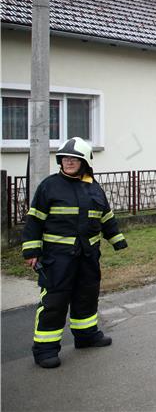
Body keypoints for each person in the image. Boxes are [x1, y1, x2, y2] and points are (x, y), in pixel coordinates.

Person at [21, 137, 128, 369]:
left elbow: (106, 217)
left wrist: (116, 239)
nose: (69, 162)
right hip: (57, 258)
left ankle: (86, 335)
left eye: (74, 159)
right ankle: (45, 349)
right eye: (65, 158)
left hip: (88, 255)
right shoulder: (50, 186)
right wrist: (31, 250)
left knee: (87, 296)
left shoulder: (94, 188)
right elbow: (34, 220)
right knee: (54, 301)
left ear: (85, 162)